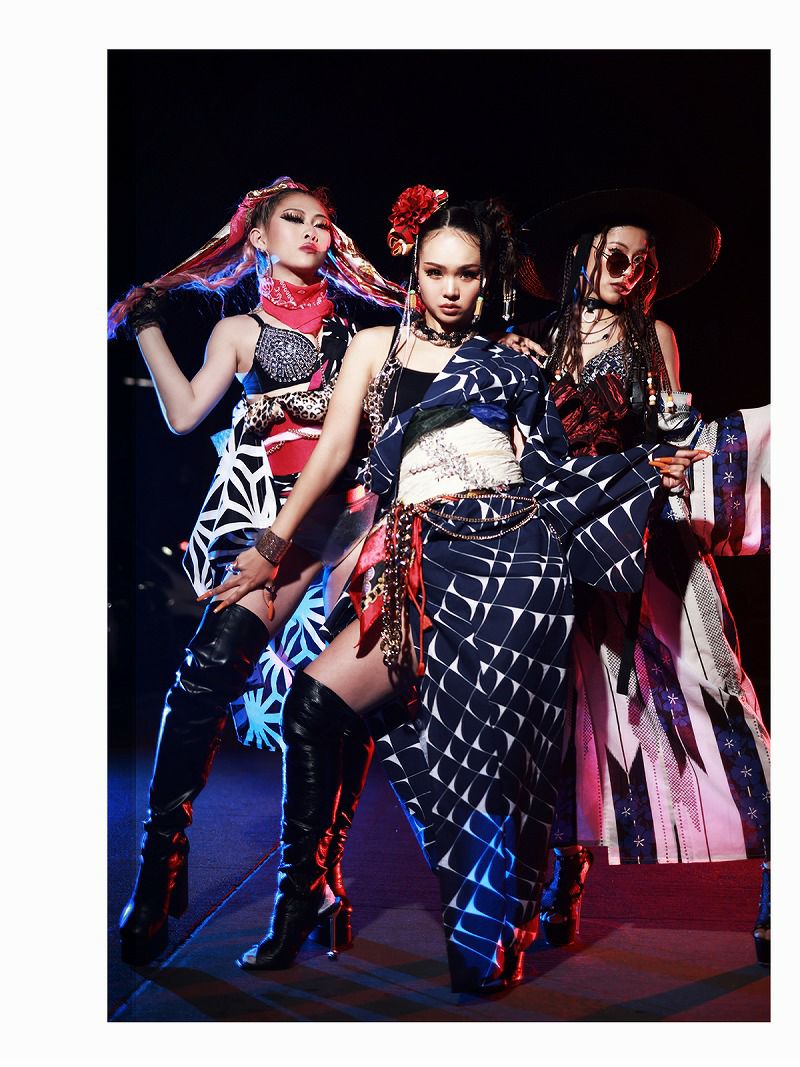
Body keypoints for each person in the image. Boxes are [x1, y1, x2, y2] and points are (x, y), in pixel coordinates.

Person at [200, 184, 704, 994]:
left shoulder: (516, 358)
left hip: (511, 569)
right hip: (411, 564)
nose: (450, 288)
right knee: (312, 705)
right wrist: (270, 547)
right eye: (436, 271)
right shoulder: (378, 346)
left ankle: (490, 923)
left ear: (486, 278)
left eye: (467, 274)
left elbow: (553, 472)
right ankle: (303, 898)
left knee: (495, 764)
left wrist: (645, 467)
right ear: (413, 271)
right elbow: (329, 458)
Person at [108, 176, 405, 965]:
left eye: (323, 222)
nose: (311, 231)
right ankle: (161, 864)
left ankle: (321, 880)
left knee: (339, 706)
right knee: (206, 670)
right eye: (293, 219)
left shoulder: (361, 332)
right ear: (259, 237)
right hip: (273, 523)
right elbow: (183, 413)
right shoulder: (240, 330)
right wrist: (146, 327)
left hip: (350, 520)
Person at [502, 188, 771, 965]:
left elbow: (673, 433)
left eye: (642, 263)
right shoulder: (531, 342)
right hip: (559, 555)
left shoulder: (654, 337)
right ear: (582, 257)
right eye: (616, 256)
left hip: (644, 546)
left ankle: (776, 881)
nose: (629, 272)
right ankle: (560, 878)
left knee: (713, 705)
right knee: (561, 724)